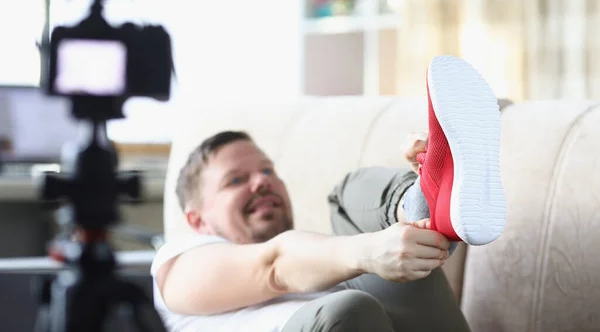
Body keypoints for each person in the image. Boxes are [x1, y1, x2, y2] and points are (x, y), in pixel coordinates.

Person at [150, 55, 506, 332]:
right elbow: (272, 265)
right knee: (347, 311)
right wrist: (371, 251)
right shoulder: (177, 264)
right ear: (197, 220)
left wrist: (392, 236)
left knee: (348, 199)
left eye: (267, 171)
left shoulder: (326, 263)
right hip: (345, 321)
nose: (261, 181)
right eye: (235, 181)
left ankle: (425, 199)